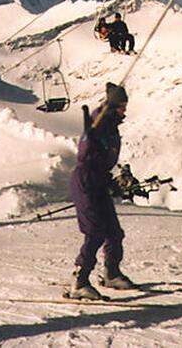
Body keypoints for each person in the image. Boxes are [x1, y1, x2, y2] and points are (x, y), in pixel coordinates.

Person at [67, 83, 136, 299]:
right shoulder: (99, 123)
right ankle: (80, 280)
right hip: (86, 181)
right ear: (113, 106)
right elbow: (87, 152)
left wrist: (110, 181)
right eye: (122, 106)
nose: (125, 111)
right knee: (95, 232)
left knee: (114, 232)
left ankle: (111, 273)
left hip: (98, 180)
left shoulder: (110, 125)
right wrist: (95, 128)